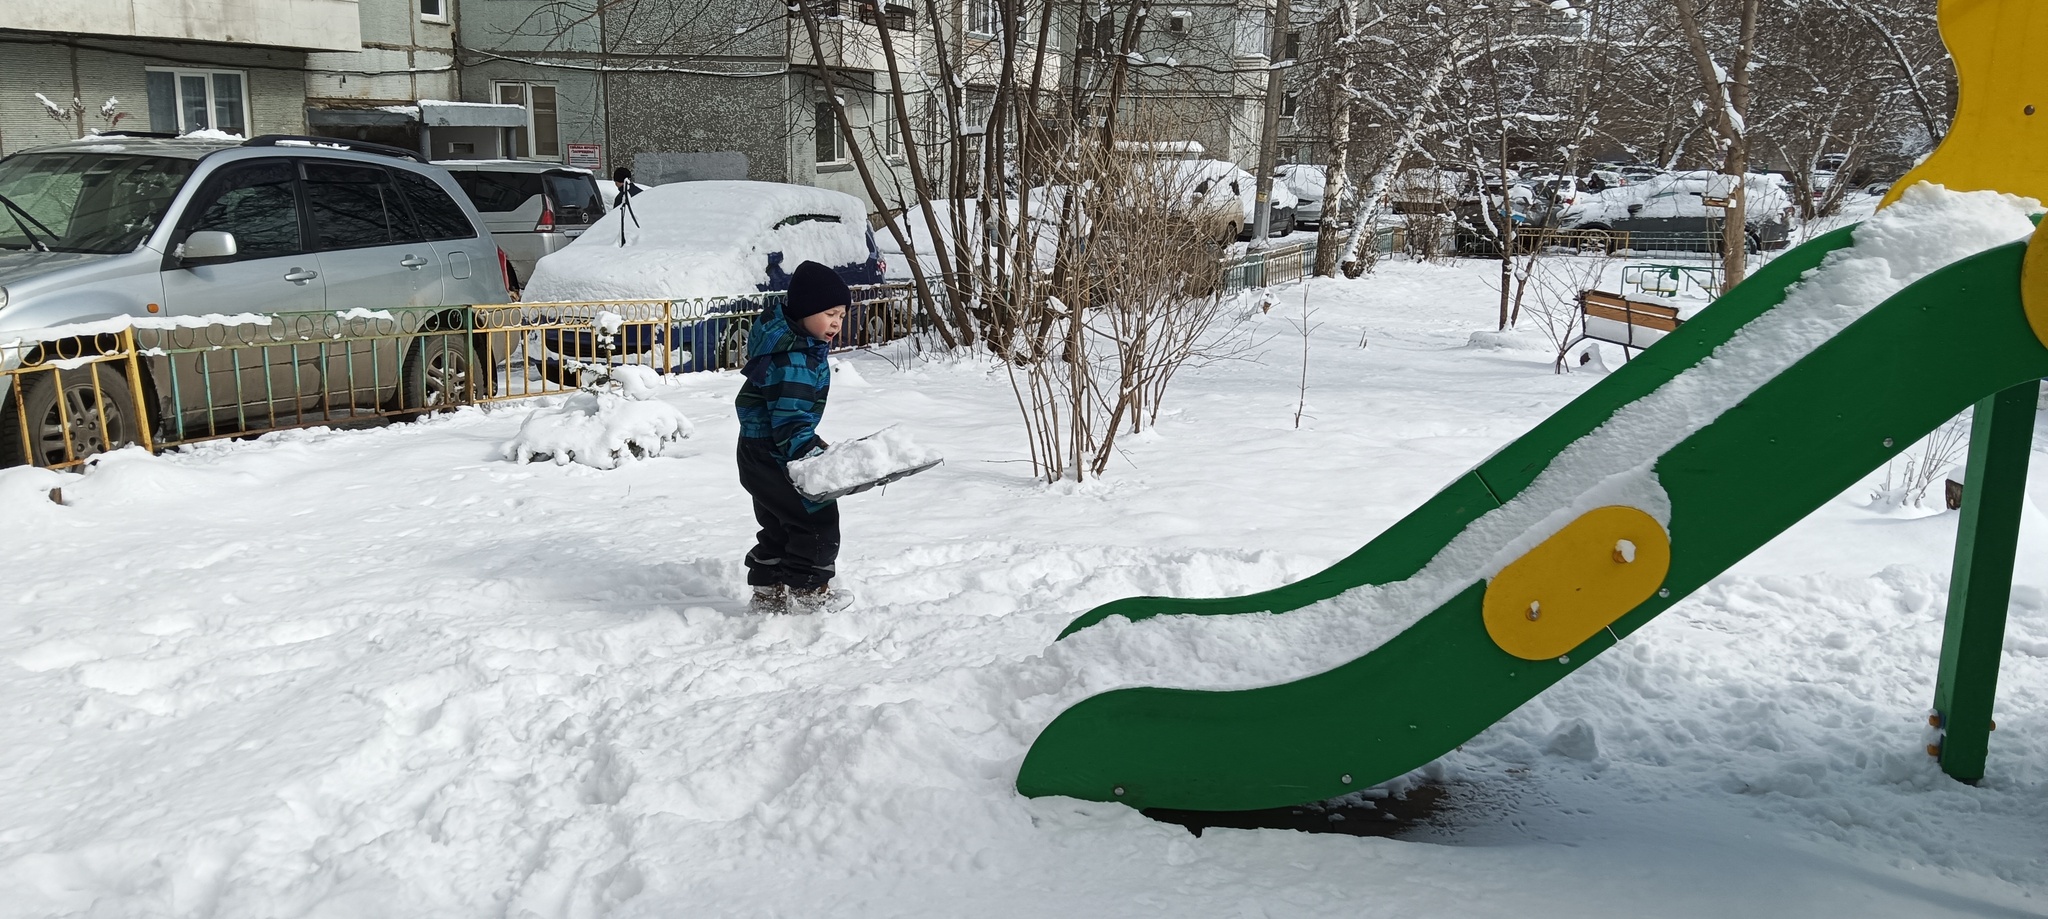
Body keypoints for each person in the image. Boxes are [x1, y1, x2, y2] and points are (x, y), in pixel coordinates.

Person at [736, 261, 855, 615]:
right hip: (776, 453)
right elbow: (789, 420)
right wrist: (811, 455)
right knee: (815, 520)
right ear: (804, 312)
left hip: (758, 451)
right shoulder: (794, 359)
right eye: (829, 313)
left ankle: (768, 590)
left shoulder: (794, 347)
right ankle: (808, 591)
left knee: (778, 523)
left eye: (841, 315)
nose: (836, 322)